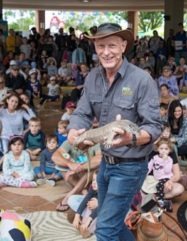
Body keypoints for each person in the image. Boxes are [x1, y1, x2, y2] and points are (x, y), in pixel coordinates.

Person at [67, 23, 161, 241]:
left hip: (130, 167)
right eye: (101, 46)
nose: (106, 52)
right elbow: (82, 112)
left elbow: (155, 127)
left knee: (105, 228)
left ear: (123, 46)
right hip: (105, 164)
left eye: (112, 45)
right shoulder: (92, 78)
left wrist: (132, 138)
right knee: (116, 224)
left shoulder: (141, 80)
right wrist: (74, 130)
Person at [52, 140, 101, 212]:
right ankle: (84, 192)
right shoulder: (69, 142)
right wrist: (69, 164)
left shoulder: (94, 142)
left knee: (96, 167)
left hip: (88, 176)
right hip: (75, 175)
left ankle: (69, 195)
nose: (75, 137)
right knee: (61, 167)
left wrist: (80, 168)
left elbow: (99, 159)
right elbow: (55, 156)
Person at [147, 138, 174, 210]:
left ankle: (161, 202)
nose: (163, 151)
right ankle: (164, 202)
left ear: (169, 150)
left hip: (166, 177)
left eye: (166, 149)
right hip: (156, 177)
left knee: (159, 186)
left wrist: (165, 161)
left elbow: (167, 171)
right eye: (161, 148)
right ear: (158, 149)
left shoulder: (169, 159)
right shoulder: (155, 158)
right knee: (148, 186)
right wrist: (145, 174)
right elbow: (149, 167)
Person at [71, 171, 98, 238]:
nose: (94, 183)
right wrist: (77, 215)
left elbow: (102, 207)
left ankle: (88, 226)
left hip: (101, 210)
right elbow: (86, 200)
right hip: (92, 207)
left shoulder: (107, 191)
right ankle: (82, 219)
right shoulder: (93, 186)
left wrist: (87, 222)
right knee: (71, 199)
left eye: (97, 181)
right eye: (93, 180)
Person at [168, 99, 187, 165]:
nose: (177, 113)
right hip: (168, 143)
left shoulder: (186, 120)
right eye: (175, 111)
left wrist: (174, 139)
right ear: (171, 111)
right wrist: (170, 140)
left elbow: (185, 138)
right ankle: (177, 161)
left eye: (179, 111)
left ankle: (172, 156)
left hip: (181, 144)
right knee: (171, 146)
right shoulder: (166, 119)